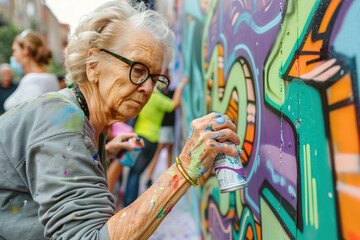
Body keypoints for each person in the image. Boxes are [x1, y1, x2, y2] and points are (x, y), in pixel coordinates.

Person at [0, 1, 241, 240]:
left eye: (155, 78)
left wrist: (96, 154)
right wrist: (186, 166)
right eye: (138, 69)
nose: (148, 87)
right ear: (93, 65)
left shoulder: (88, 124)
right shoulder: (60, 119)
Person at [121, 76, 188, 207]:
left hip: (139, 138)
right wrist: (181, 84)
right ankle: (130, 203)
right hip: (152, 140)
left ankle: (128, 203)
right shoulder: (158, 99)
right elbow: (175, 104)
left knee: (134, 172)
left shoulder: (146, 97)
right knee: (137, 173)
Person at [3, 29, 59, 111]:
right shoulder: (51, 77)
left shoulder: (32, 80)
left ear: (25, 50)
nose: (13, 56)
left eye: (14, 50)